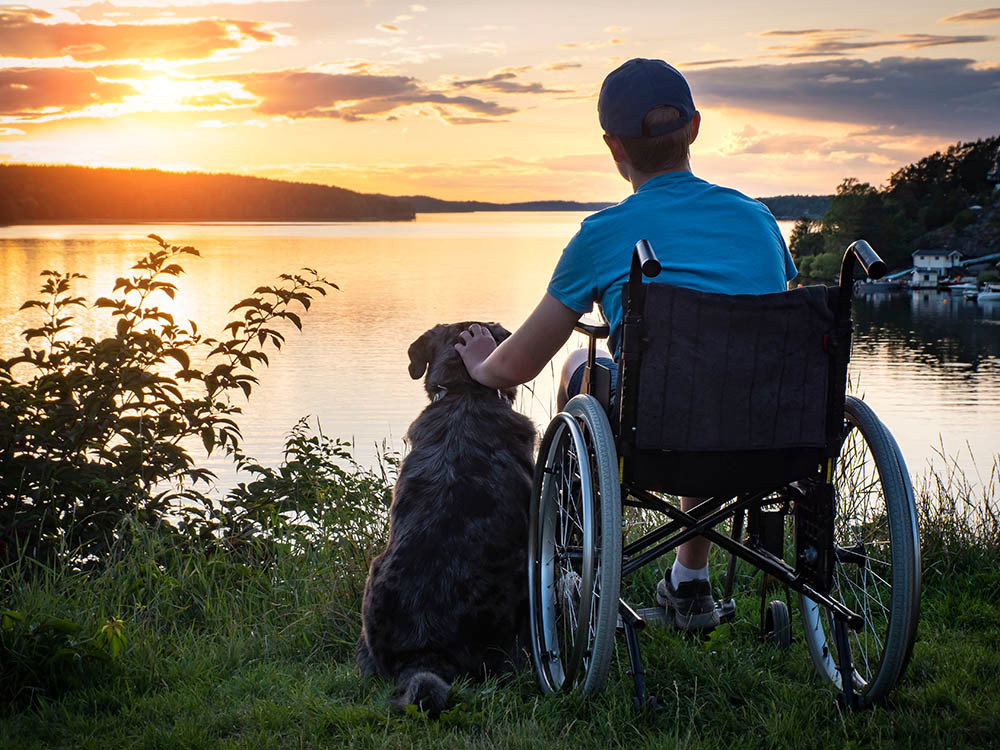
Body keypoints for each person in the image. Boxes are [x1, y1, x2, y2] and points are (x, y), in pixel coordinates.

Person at [454, 58, 796, 630]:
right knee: (712, 379)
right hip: (766, 431)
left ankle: (574, 569)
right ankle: (690, 582)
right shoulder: (758, 220)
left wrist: (479, 364)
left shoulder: (604, 235)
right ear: (693, 129)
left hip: (660, 434)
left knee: (579, 368)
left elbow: (519, 363)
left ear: (615, 148)